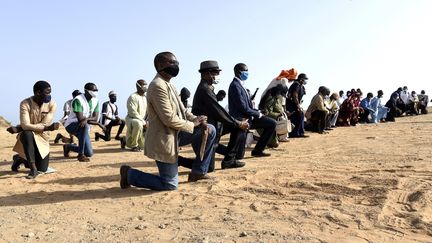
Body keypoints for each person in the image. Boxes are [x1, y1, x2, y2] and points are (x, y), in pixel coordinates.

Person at [119, 52, 216, 191]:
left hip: (177, 134)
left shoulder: (169, 85)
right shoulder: (157, 85)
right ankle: (129, 174)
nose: (176, 65)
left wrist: (197, 119)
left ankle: (198, 172)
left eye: (177, 63)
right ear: (160, 65)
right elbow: (169, 119)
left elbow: (184, 112)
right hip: (164, 138)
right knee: (169, 184)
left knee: (210, 129)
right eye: (172, 62)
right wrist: (193, 124)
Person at [191, 60, 249, 170]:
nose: (216, 76)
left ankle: (229, 160)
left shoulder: (208, 87)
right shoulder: (204, 89)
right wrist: (238, 123)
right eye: (214, 73)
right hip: (204, 130)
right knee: (209, 168)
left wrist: (237, 123)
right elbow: (219, 112)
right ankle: (179, 160)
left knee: (238, 126)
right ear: (205, 74)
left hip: (214, 127)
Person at [10, 80, 59, 178]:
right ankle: (33, 169)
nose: (49, 95)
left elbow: (44, 123)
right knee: (27, 133)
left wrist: (20, 127)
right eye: (47, 93)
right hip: (28, 136)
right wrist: (47, 128)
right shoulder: (25, 104)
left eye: (50, 92)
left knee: (43, 169)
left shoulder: (52, 104)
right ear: (38, 93)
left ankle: (20, 159)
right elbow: (26, 126)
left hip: (43, 137)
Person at [228, 63, 276, 157]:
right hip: (241, 121)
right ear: (238, 72)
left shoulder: (241, 85)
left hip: (248, 118)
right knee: (239, 155)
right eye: (245, 71)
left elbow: (247, 106)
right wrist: (258, 114)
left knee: (272, 123)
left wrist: (258, 111)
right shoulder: (235, 86)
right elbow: (242, 107)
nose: (247, 73)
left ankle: (258, 150)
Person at [63, 82, 104, 162]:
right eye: (93, 90)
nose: (95, 92)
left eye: (96, 90)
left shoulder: (96, 101)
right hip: (71, 125)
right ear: (86, 91)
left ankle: (68, 147)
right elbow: (81, 120)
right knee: (85, 126)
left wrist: (90, 120)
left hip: (83, 127)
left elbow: (95, 118)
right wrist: (87, 120)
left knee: (89, 153)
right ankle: (80, 155)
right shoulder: (78, 100)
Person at [121, 80, 148, 151]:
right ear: (138, 86)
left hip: (142, 119)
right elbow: (133, 112)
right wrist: (143, 122)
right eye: (144, 85)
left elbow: (148, 111)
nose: (146, 87)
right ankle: (134, 145)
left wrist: (147, 121)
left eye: (146, 85)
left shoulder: (146, 98)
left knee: (144, 146)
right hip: (132, 118)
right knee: (138, 123)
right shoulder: (133, 97)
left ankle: (125, 140)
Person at [285, 73, 309, 138]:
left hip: (295, 104)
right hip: (291, 105)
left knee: (300, 115)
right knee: (298, 116)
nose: (306, 81)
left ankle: (300, 132)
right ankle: (295, 133)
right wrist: (298, 105)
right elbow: (295, 95)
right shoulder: (296, 85)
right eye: (305, 79)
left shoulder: (301, 86)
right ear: (301, 79)